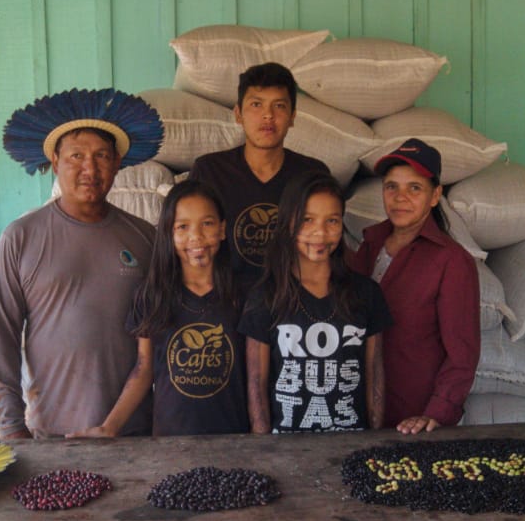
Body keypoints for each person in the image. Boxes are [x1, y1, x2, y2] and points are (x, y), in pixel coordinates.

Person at [0, 88, 164, 439]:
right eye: (76, 156)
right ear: (55, 162)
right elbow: (2, 339)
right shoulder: (21, 238)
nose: (89, 168)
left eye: (102, 156)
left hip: (132, 434)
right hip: (52, 434)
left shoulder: (145, 238)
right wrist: (11, 428)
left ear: (117, 163)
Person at [68, 181, 249, 437]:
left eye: (207, 223)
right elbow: (144, 369)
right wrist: (109, 427)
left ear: (222, 229)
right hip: (169, 440)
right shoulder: (153, 295)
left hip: (234, 439)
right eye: (182, 227)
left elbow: (257, 375)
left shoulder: (243, 295)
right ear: (168, 234)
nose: (196, 236)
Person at [239, 171, 392, 433]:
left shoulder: (366, 293)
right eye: (307, 220)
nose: (320, 233)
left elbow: (374, 372)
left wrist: (374, 439)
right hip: (284, 445)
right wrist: (263, 447)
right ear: (288, 223)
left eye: (332, 220)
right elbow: (256, 382)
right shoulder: (266, 296)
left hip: (351, 442)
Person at [347, 138, 480, 434]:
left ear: (435, 195)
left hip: (411, 418)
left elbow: (462, 354)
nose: (400, 197)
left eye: (415, 188)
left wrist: (436, 413)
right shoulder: (370, 245)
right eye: (391, 186)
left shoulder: (451, 261)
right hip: (358, 408)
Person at [189, 63, 330, 285]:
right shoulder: (210, 171)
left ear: (292, 117)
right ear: (238, 114)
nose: (268, 116)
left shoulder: (312, 174)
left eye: (279, 106)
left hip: (292, 295)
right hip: (225, 295)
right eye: (256, 104)